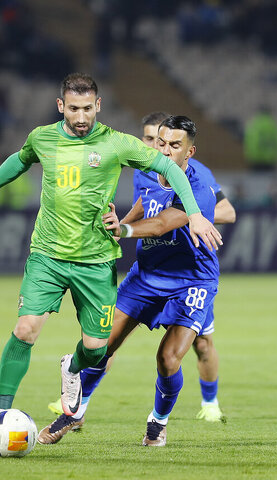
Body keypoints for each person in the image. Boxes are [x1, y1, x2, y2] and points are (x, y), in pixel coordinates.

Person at [0, 73, 223, 447]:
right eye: (73, 109)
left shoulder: (117, 144)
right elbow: (18, 162)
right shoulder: (42, 138)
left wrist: (193, 213)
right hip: (48, 254)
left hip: (98, 262)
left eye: (87, 109)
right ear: (61, 106)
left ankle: (76, 371)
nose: (81, 117)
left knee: (98, 351)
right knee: (26, 329)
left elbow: (169, 175)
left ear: (98, 106)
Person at [38, 115, 221, 447]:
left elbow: (164, 222)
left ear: (189, 152)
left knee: (168, 359)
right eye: (161, 143)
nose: (165, 152)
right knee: (100, 347)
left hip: (190, 280)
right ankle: (74, 413)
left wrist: (125, 231)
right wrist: (120, 223)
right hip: (146, 276)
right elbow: (143, 205)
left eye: (175, 146)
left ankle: (158, 421)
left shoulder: (200, 189)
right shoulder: (147, 171)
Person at [243, 105, 277, 172]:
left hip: (256, 160)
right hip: (271, 160)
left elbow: (248, 142)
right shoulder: (275, 126)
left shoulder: (254, 125)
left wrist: (249, 155)